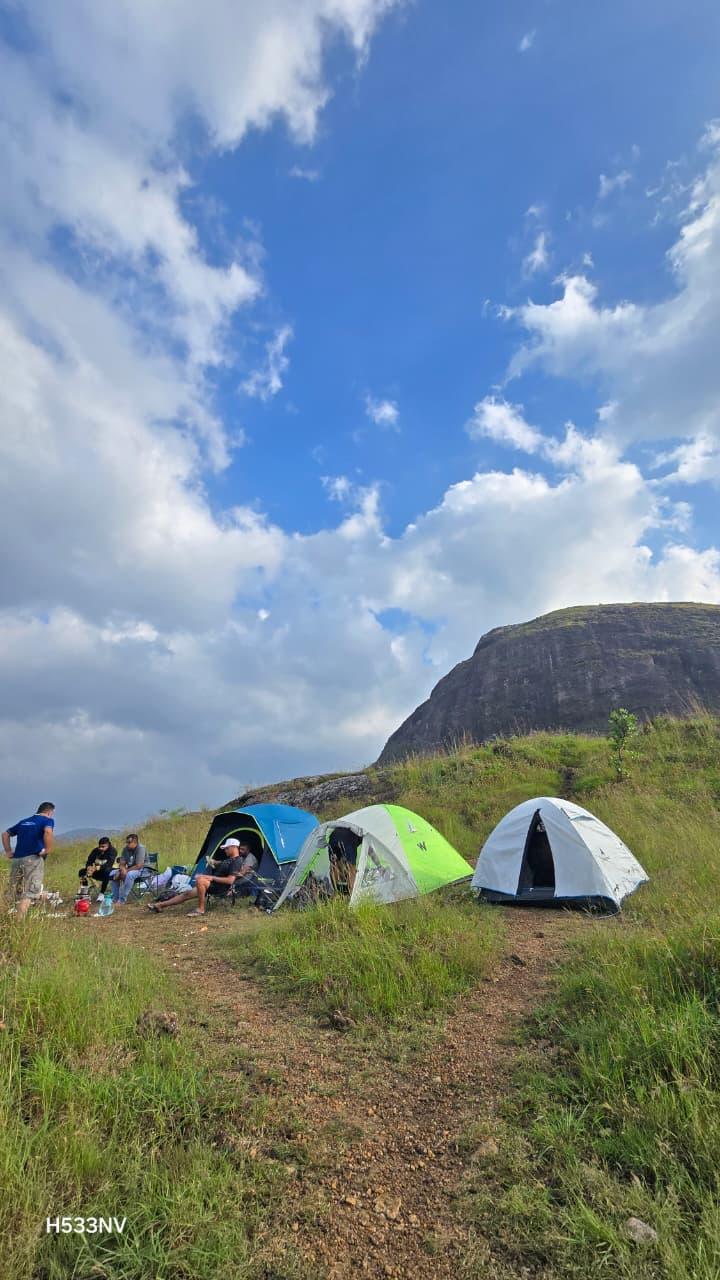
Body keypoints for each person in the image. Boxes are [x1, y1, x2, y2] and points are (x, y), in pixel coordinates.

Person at [148, 838, 256, 917]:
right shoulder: (229, 859)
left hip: (220, 887)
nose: (225, 850)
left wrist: (210, 877)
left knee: (201, 880)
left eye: (226, 848)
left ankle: (201, 909)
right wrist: (213, 862)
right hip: (213, 885)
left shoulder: (237, 861)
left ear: (233, 847)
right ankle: (160, 905)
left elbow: (230, 880)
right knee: (186, 894)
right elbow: (221, 864)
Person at [2, 801, 55, 920]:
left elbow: (5, 834)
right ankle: (19, 923)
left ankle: (3, 917)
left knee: (12, 890)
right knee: (30, 891)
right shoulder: (48, 821)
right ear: (49, 812)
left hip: (17, 859)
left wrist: (8, 851)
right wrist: (48, 849)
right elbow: (48, 832)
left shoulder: (24, 821)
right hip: (33, 859)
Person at [111, 833, 149, 903]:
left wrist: (126, 871)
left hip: (144, 870)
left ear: (135, 842)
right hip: (131, 870)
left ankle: (122, 900)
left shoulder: (141, 848)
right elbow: (122, 863)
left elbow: (139, 865)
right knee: (113, 874)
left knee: (130, 874)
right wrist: (122, 870)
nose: (127, 844)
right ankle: (115, 898)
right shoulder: (125, 849)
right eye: (126, 842)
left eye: (129, 842)